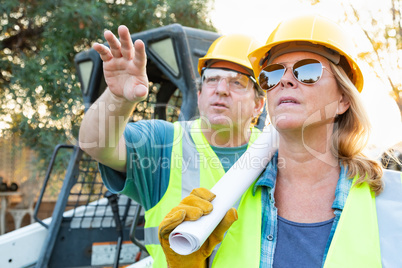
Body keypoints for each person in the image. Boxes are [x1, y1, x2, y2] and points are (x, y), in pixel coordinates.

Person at [158, 14, 402, 267]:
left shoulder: (393, 202)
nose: (284, 80)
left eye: (307, 71)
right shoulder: (226, 200)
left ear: (343, 99)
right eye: (271, 74)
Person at [78, 25, 266, 267]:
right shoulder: (163, 141)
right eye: (212, 79)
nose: (221, 90)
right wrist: (118, 98)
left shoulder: (276, 153)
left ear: (259, 105)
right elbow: (95, 144)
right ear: (199, 96)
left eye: (238, 82)